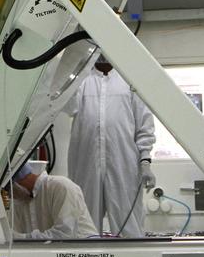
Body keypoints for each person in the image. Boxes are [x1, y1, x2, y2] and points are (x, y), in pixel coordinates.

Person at [67, 54, 156, 237]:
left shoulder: (129, 82)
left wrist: (145, 160)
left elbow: (144, 124)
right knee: (85, 223)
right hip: (85, 165)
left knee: (128, 222)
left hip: (124, 164)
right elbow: (68, 107)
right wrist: (74, 68)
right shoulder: (82, 80)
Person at [7, 163, 99, 239]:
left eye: (9, 191)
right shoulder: (21, 201)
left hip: (85, 255)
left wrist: (24, 238)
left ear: (16, 183)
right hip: (56, 256)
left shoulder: (61, 187)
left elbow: (66, 234)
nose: (10, 196)